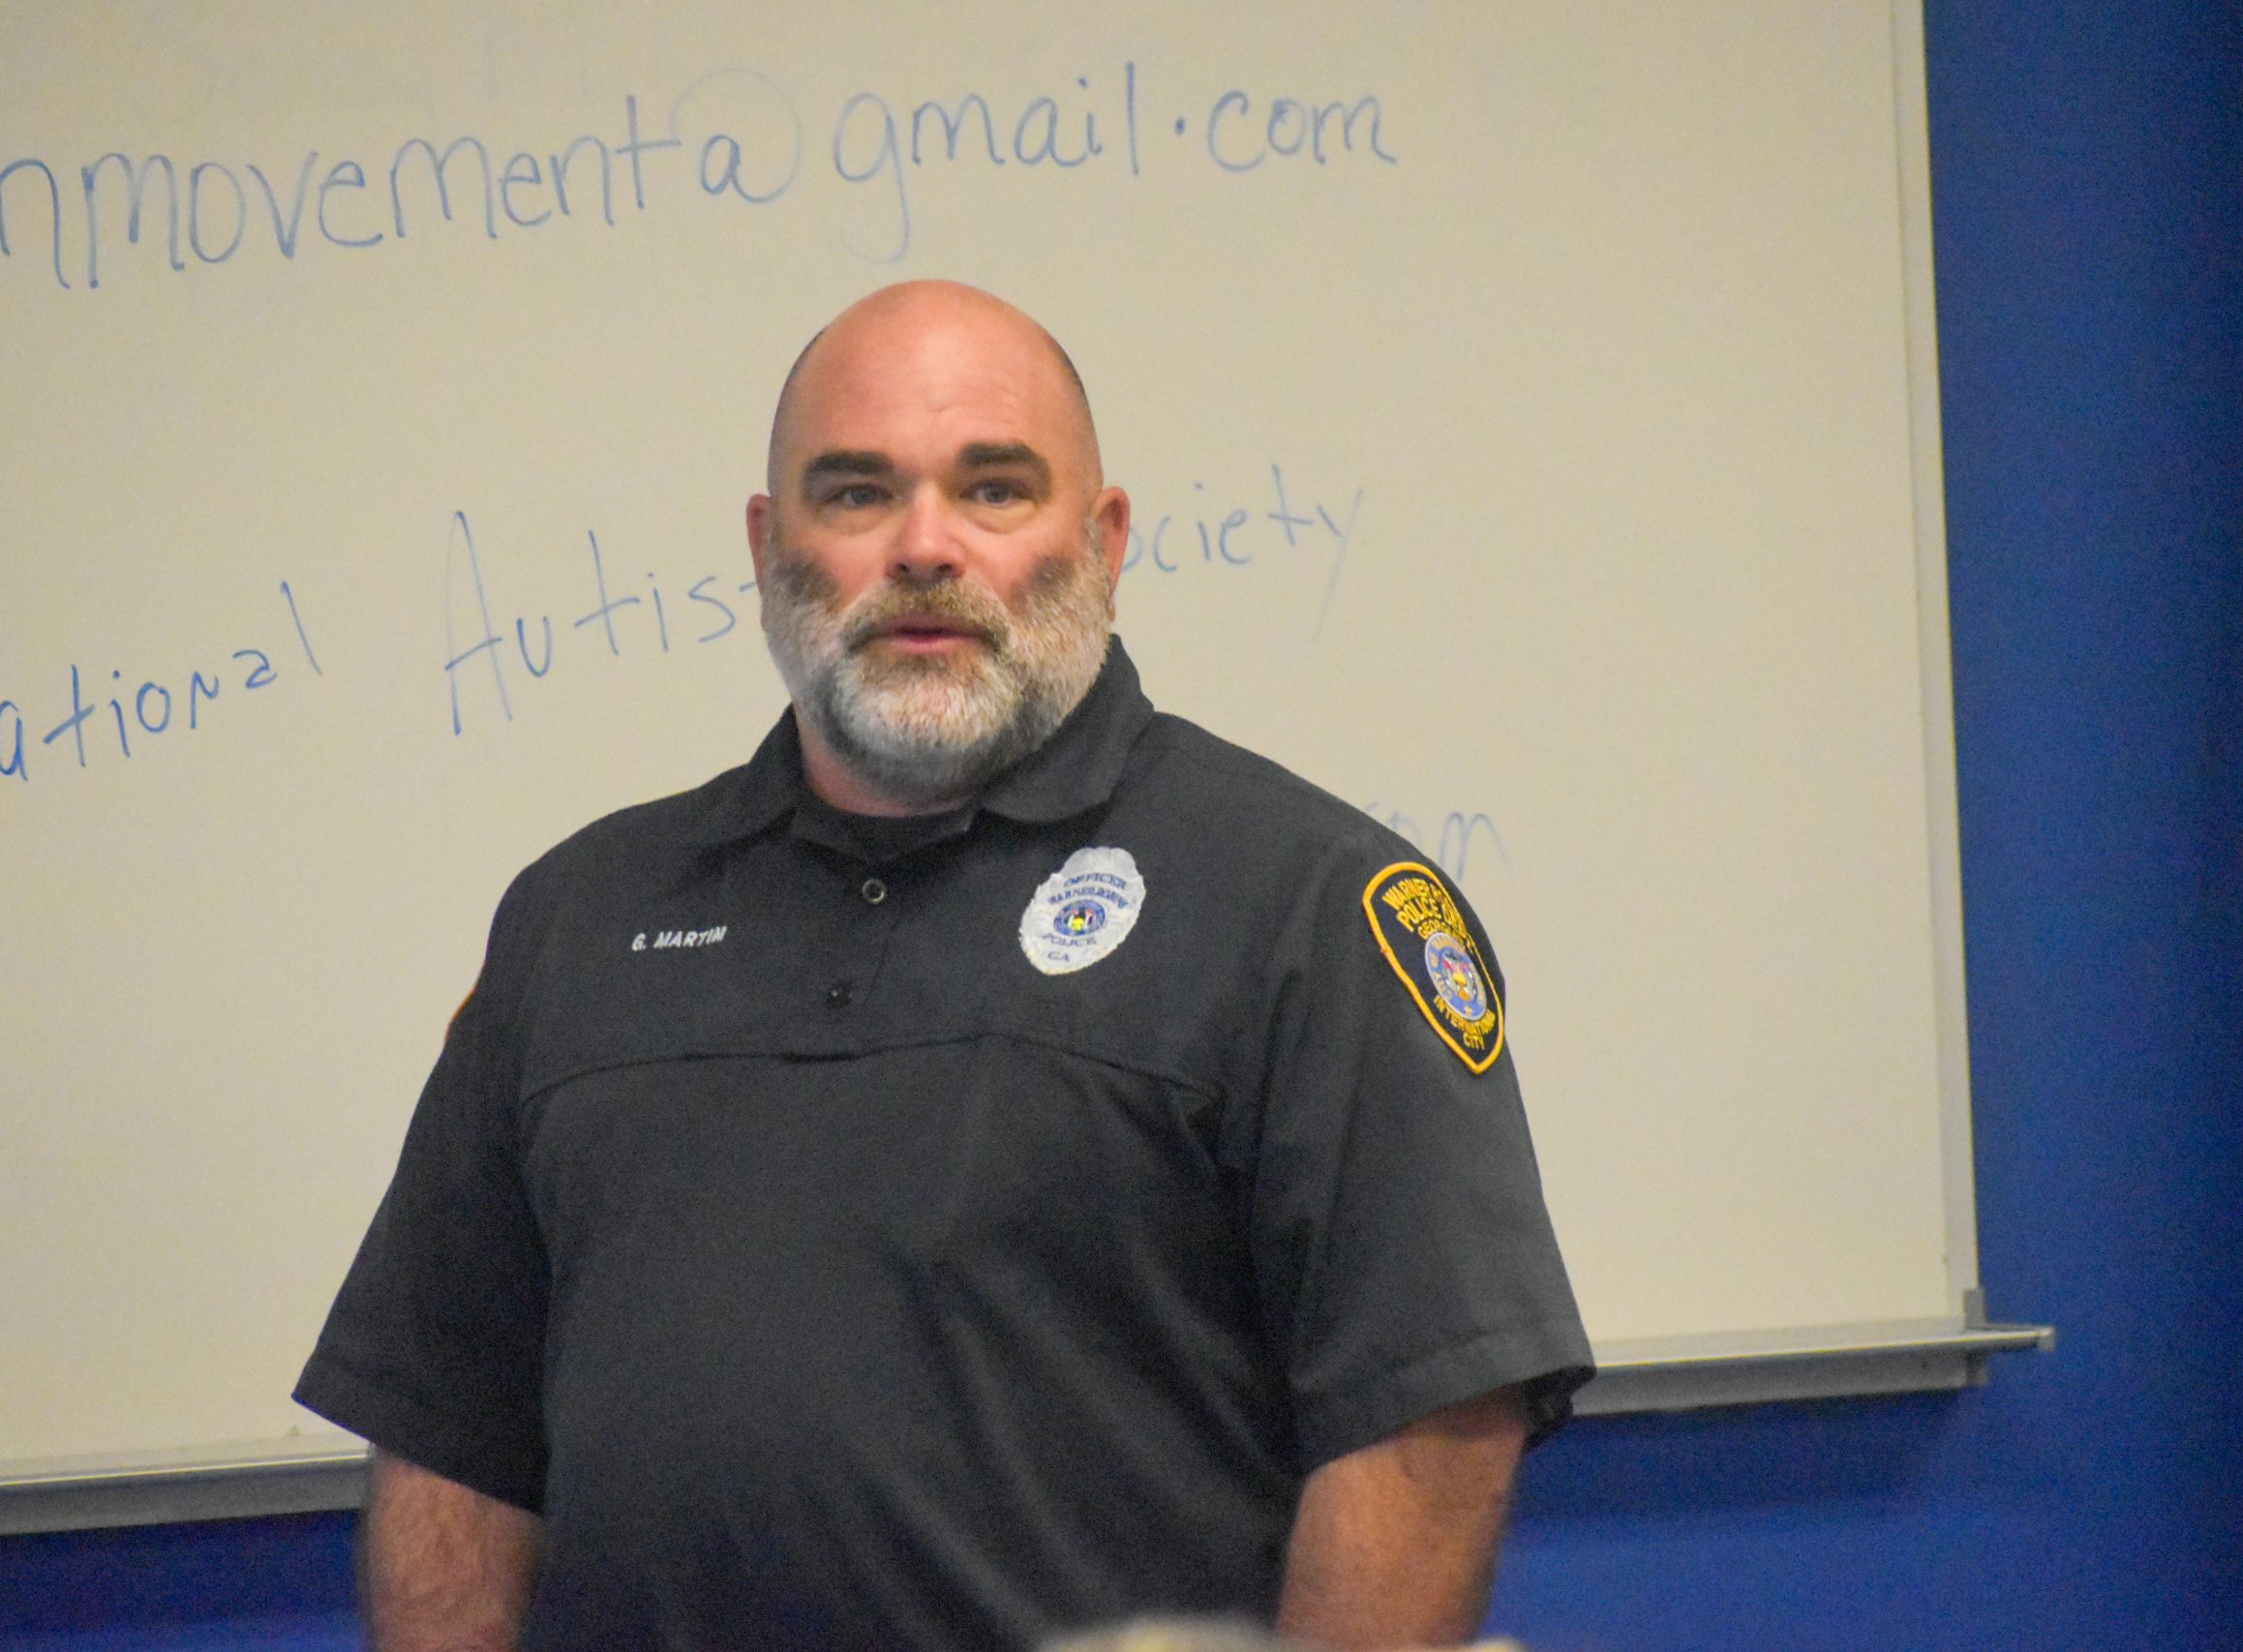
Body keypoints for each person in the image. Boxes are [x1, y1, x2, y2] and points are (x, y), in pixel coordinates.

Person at [295, 281, 1592, 1652]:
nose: (925, 547)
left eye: (994, 490)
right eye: (857, 493)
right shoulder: (578, 919)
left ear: (1104, 540)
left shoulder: (1308, 906)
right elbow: (450, 1427)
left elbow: (1429, 1430)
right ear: (767, 547)